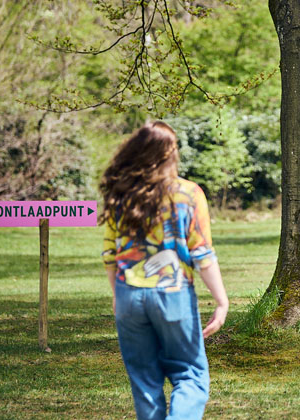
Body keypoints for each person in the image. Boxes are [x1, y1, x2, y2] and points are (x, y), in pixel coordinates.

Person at [100, 120, 229, 420]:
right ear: (171, 154)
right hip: (173, 293)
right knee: (190, 376)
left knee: (145, 383)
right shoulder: (188, 194)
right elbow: (202, 254)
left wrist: (117, 295)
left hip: (129, 296)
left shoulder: (120, 195)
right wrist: (221, 302)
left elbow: (110, 254)